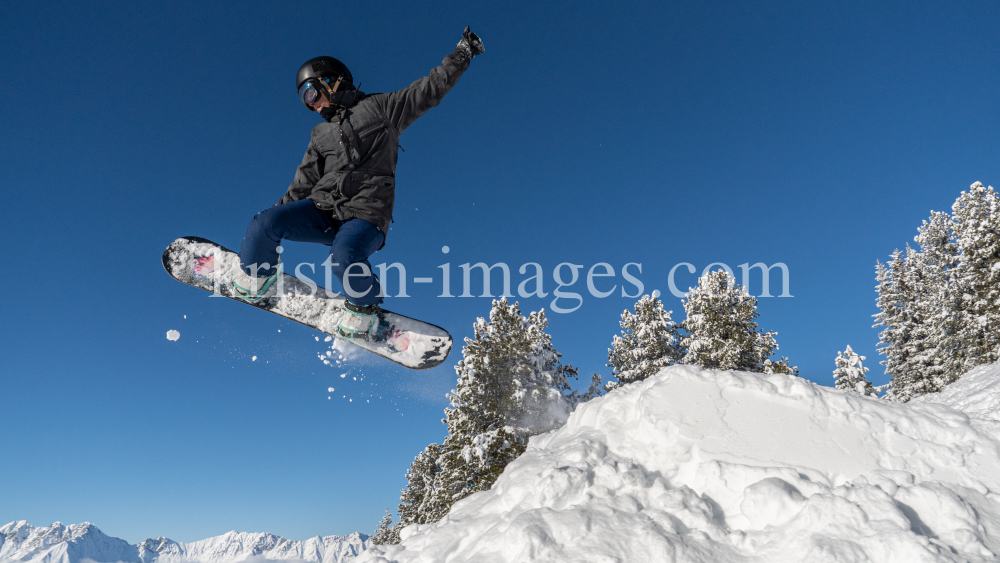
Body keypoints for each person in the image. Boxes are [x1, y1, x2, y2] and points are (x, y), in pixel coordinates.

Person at [232, 27, 485, 340]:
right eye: (305, 100)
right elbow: (305, 180)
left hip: (366, 215)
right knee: (264, 222)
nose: (311, 104)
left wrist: (463, 53)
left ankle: (364, 307)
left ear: (331, 79)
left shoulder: (381, 109)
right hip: (323, 212)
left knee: (344, 256)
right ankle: (258, 276)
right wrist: (278, 217)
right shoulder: (320, 135)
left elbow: (430, 88)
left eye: (311, 93)